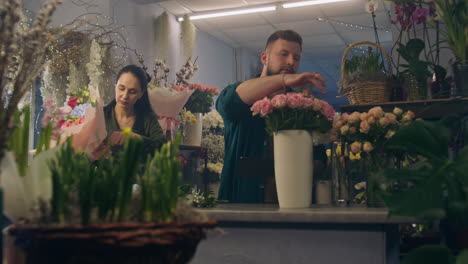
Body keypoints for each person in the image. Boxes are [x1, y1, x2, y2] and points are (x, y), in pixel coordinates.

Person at [216, 30, 327, 203]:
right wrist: (284, 79)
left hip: (292, 207)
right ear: (264, 58)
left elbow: (319, 159)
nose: (291, 62)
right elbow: (231, 101)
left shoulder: (302, 105)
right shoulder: (240, 93)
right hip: (241, 206)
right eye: (284, 54)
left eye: (296, 58)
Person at [103, 64, 166, 159]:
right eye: (121, 88)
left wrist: (134, 138)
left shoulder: (147, 119)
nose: (125, 96)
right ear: (115, 86)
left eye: (132, 92)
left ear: (141, 93)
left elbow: (163, 147)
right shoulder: (100, 115)